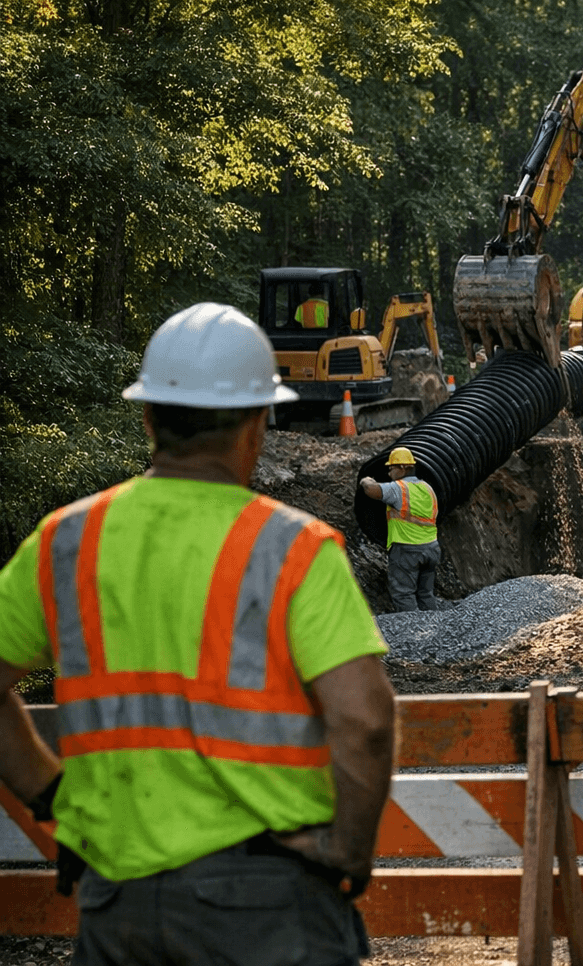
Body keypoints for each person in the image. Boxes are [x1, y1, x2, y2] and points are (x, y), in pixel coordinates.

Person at [0, 302, 395, 965]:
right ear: (256, 424)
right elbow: (366, 722)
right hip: (267, 903)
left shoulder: (66, 542)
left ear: (149, 416)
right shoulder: (293, 548)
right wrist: (346, 854)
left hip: (116, 904)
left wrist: (51, 795)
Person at [358, 448, 441, 611]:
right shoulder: (427, 488)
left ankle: (414, 633)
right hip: (431, 548)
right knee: (425, 594)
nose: (389, 473)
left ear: (403, 468)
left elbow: (371, 490)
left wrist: (365, 480)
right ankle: (434, 630)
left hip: (407, 549)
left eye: (391, 468)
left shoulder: (399, 488)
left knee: (403, 595)